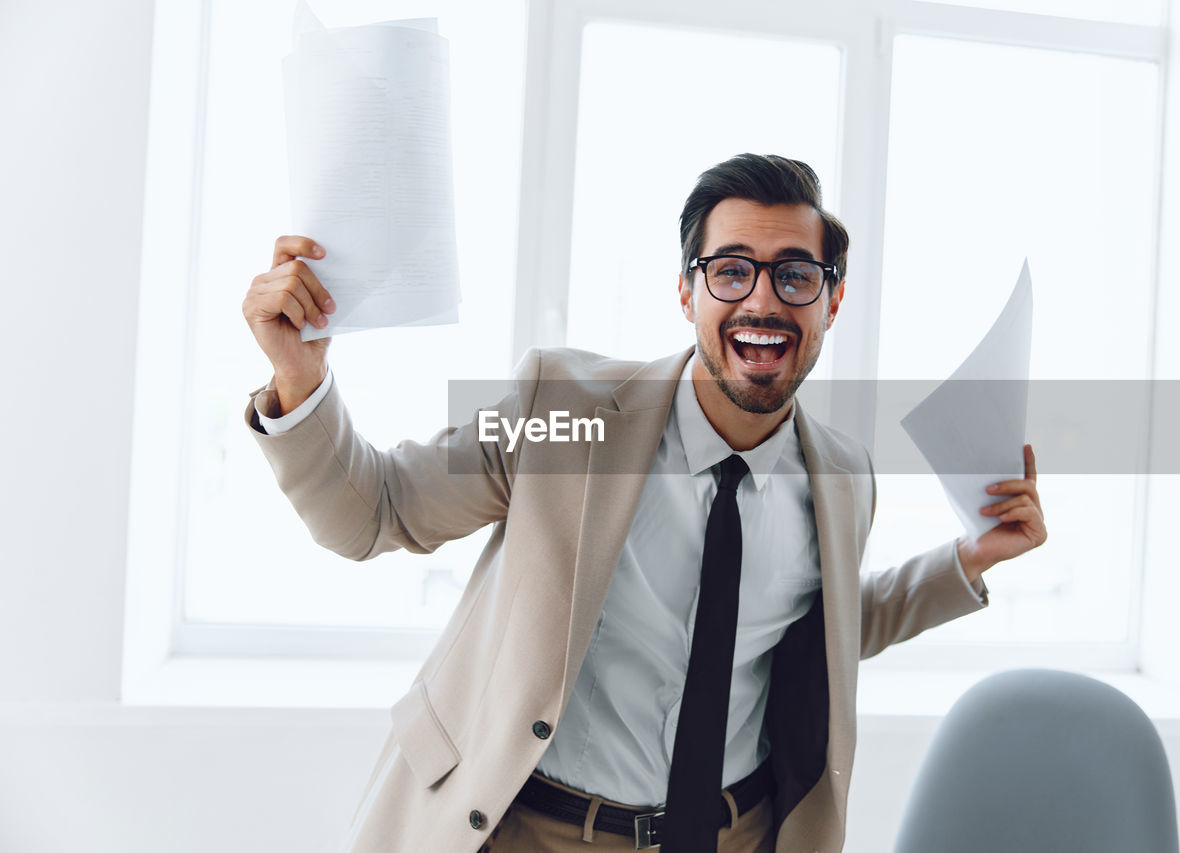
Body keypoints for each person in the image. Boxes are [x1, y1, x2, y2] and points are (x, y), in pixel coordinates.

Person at [242, 154, 1047, 853]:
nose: (762, 301)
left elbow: (815, 632)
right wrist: (300, 379)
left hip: (731, 832)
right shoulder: (568, 410)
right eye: (731, 270)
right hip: (524, 826)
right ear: (686, 291)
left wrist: (967, 561)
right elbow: (373, 512)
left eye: (795, 274)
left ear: (831, 302)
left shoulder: (841, 475)